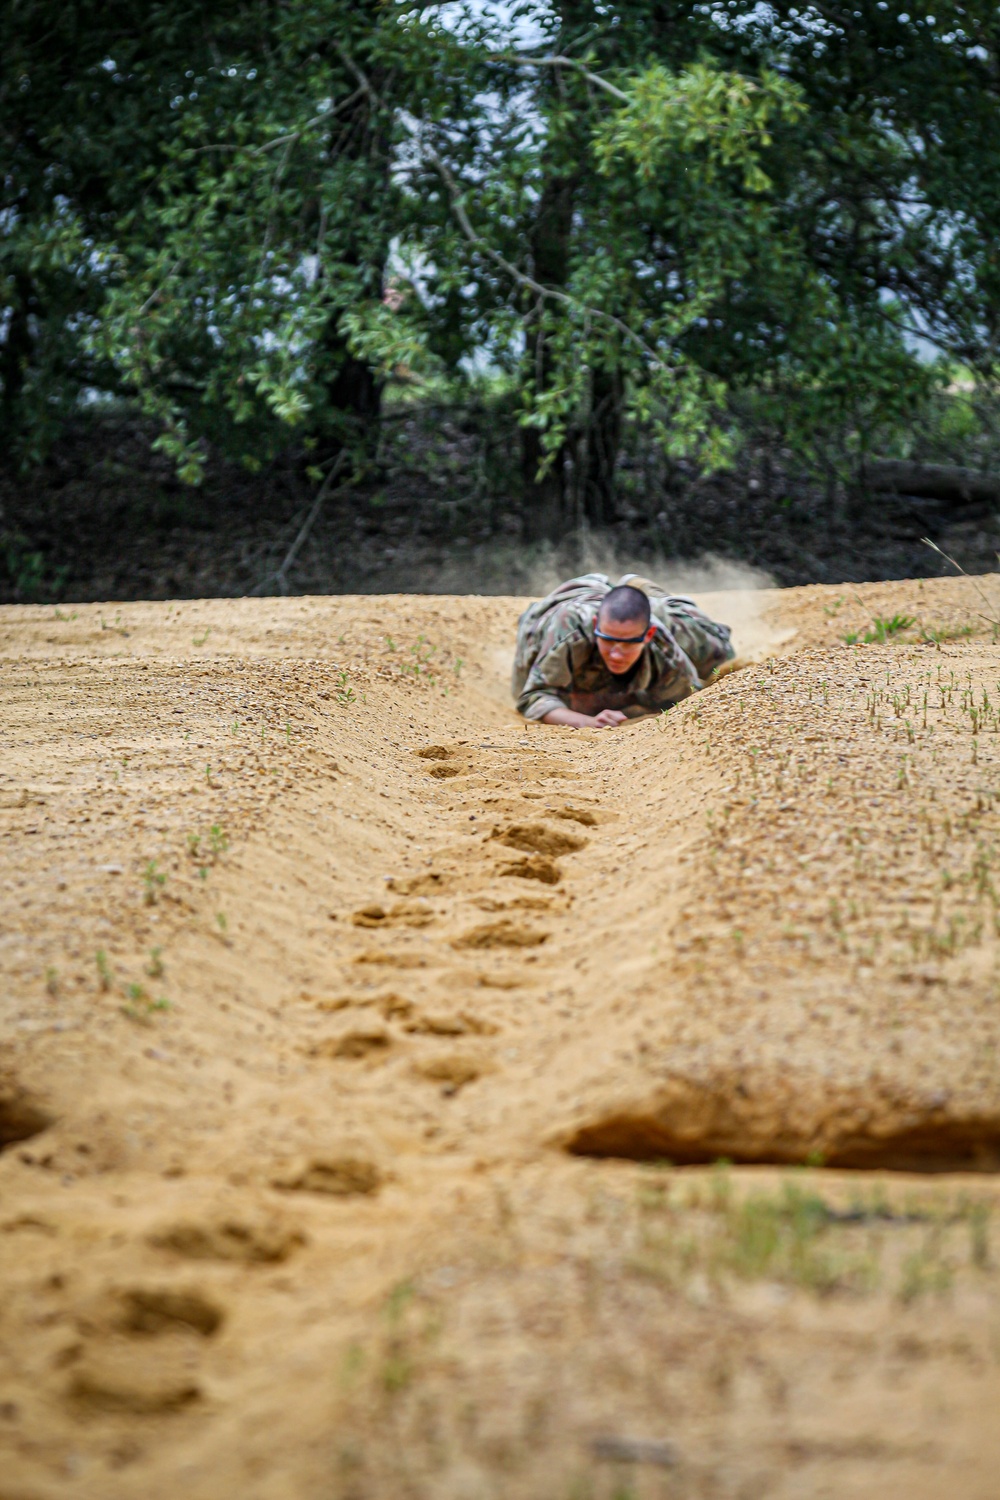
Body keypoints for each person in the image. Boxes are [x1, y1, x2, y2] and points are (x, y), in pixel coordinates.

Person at [512, 572, 734, 728]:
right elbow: (533, 698)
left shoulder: (661, 643)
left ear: (648, 635)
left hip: (644, 614)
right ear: (596, 624)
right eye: (608, 641)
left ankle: (653, 596)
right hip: (573, 598)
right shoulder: (571, 631)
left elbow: (691, 699)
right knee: (521, 684)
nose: (616, 654)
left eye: (627, 644)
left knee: (714, 653)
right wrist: (587, 721)